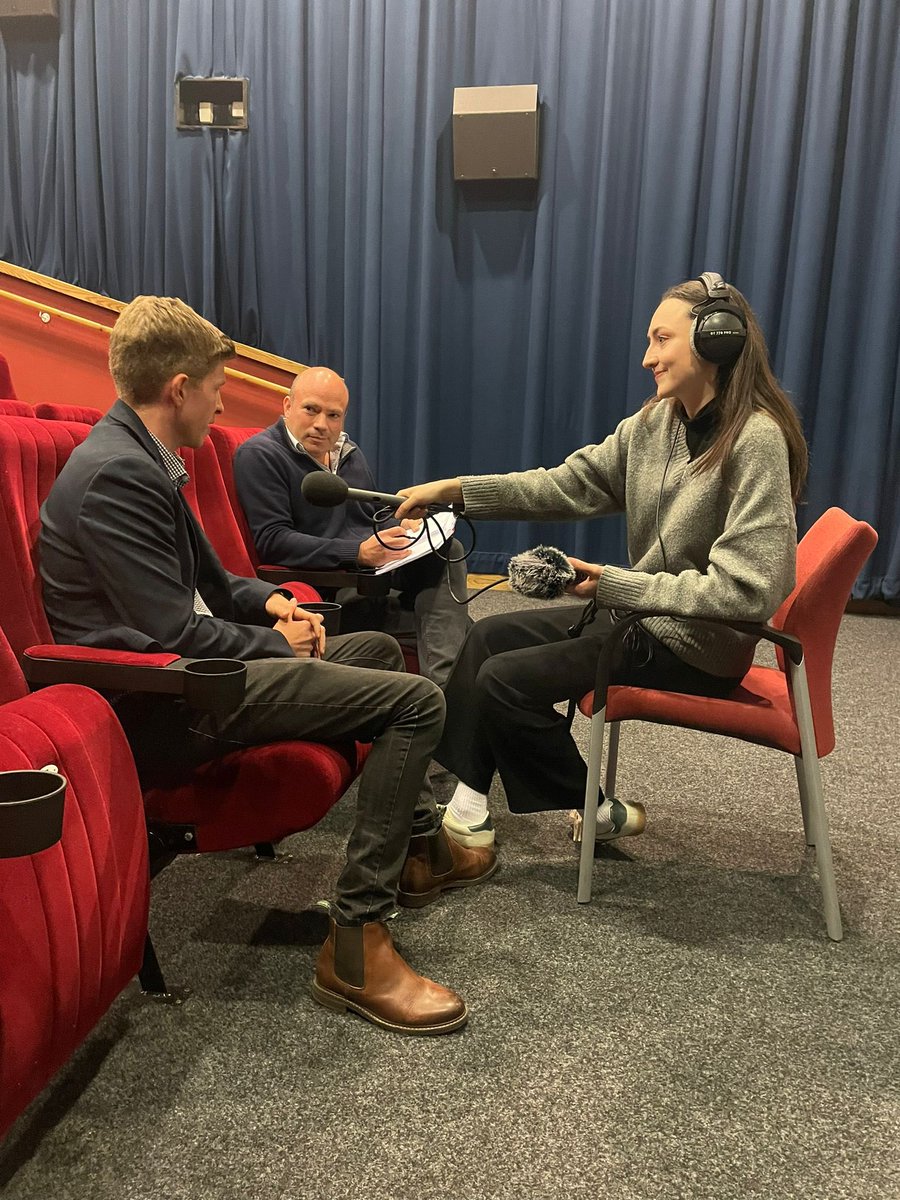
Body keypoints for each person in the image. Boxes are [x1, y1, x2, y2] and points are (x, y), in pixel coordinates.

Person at [39, 295, 496, 1036]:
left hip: (199, 670)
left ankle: (417, 850)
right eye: (218, 386)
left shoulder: (146, 456)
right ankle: (357, 937)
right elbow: (169, 634)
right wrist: (273, 645)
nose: (224, 405)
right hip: (168, 702)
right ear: (180, 388)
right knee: (417, 702)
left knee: (377, 649)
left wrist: (276, 602)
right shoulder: (116, 474)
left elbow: (215, 588)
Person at [395, 274, 808, 850]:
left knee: (504, 683)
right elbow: (567, 484)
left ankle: (589, 806)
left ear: (716, 341)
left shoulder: (756, 440)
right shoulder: (655, 425)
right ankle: (468, 812)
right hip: (641, 619)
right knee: (487, 640)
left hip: (696, 645)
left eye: (661, 340)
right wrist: (458, 490)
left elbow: (747, 592)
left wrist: (616, 584)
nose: (647, 358)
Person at [233, 367, 472, 687]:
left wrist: (405, 527)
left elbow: (369, 517)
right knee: (464, 635)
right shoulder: (260, 455)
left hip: (380, 577)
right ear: (287, 406)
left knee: (448, 552)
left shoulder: (349, 452)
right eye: (311, 409)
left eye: (334, 415)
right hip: (333, 591)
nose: (321, 424)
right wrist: (357, 552)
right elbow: (273, 540)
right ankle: (446, 693)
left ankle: (445, 691)